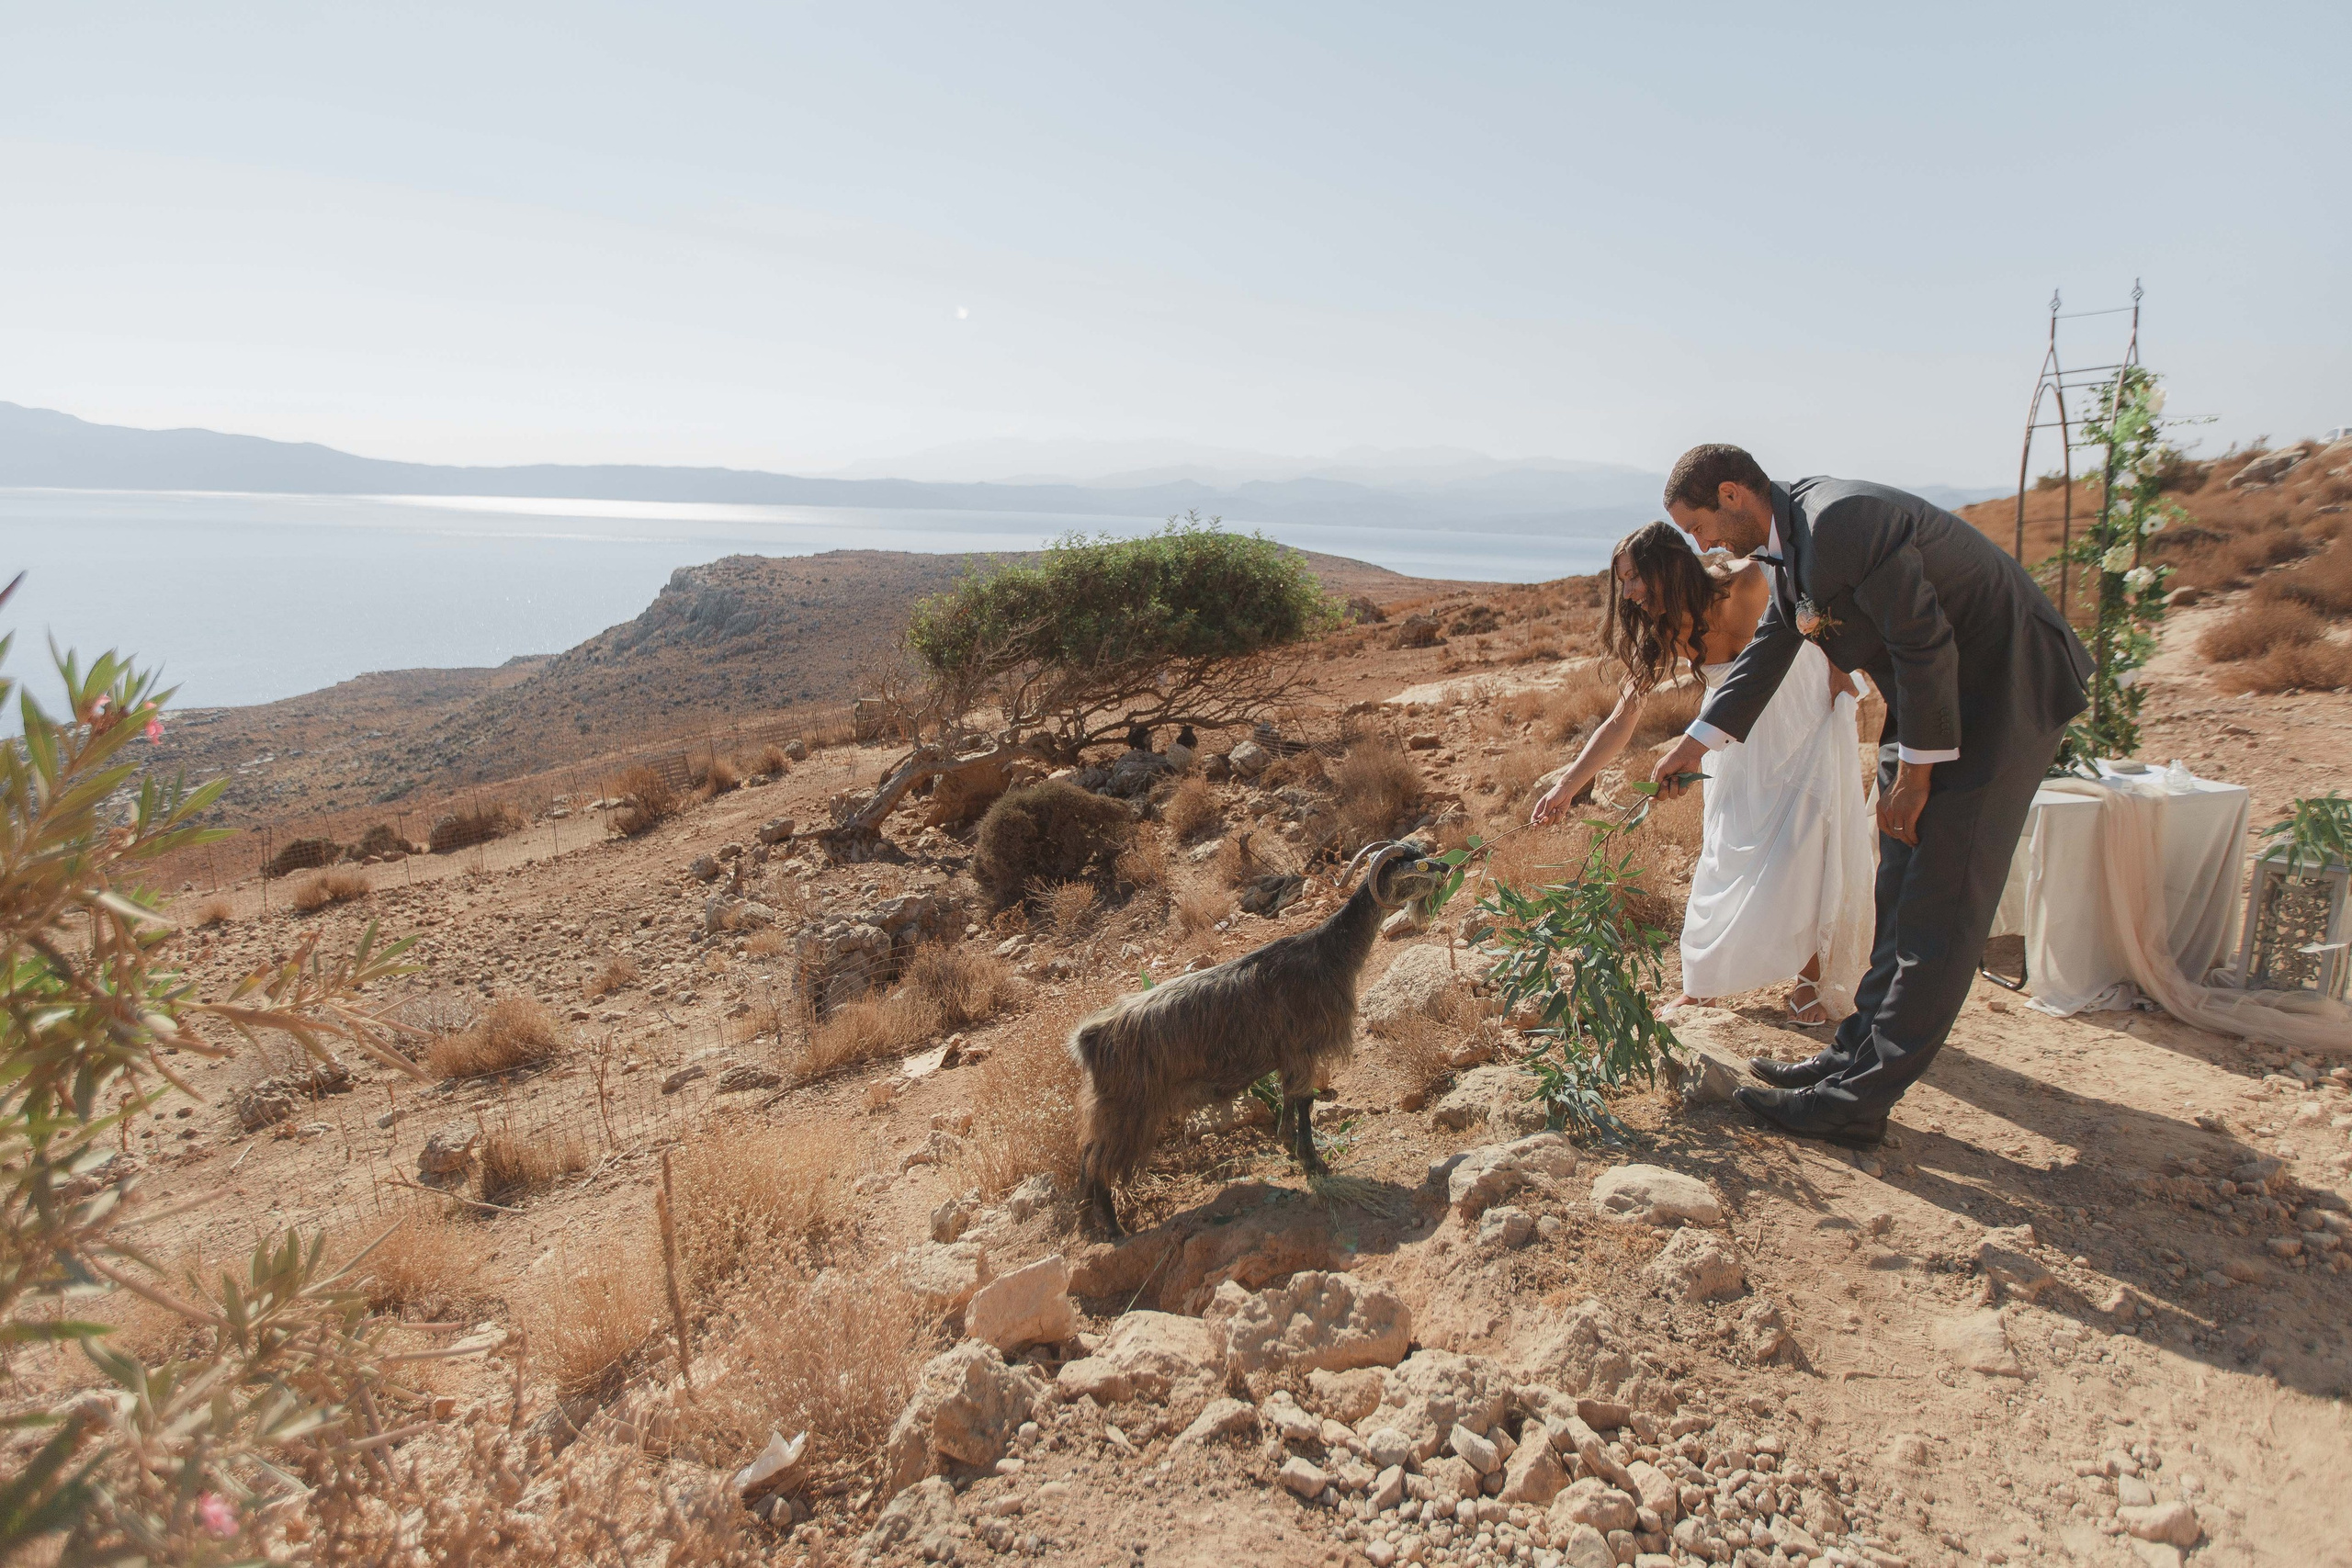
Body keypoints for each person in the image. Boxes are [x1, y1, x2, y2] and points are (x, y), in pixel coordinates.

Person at [1648, 446, 2092, 1146]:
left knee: (1940, 905)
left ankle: (1855, 1104)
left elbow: (1925, 645)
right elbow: (1775, 644)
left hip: (2002, 690)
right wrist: (1695, 742)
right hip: (1934, 701)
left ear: (1732, 494)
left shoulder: (1838, 523)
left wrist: (1916, 778)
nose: (1697, 544)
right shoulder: (1790, 540)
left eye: (1695, 525)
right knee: (1901, 880)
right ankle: (1851, 1054)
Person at [1531, 522, 1875, 1025]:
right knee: (1724, 852)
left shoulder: (1751, 579)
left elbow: (1812, 598)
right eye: (1622, 582)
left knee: (1809, 848)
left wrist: (1842, 671)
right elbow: (1623, 718)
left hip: (1805, 717)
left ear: (1665, 566)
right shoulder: (1662, 630)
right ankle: (1703, 984)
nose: (1628, 593)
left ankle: (1811, 980)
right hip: (1731, 739)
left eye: (1634, 578)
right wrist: (1567, 786)